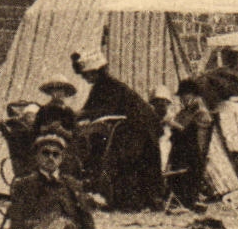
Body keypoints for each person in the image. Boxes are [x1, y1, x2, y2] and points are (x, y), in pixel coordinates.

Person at [73, 50, 165, 211]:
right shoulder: (101, 86)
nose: (85, 78)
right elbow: (90, 109)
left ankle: (133, 204)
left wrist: (74, 116)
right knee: (127, 162)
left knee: (127, 162)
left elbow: (99, 110)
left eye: (86, 74)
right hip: (134, 126)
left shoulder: (109, 86)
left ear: (95, 72)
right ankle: (129, 202)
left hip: (141, 126)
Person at [5, 134, 96, 229]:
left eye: (56, 154)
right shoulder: (24, 185)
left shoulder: (72, 184)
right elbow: (17, 225)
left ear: (61, 158)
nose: (51, 158)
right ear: (37, 156)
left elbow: (88, 225)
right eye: (45, 153)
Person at [165, 79, 213, 210]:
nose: (181, 99)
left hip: (191, 157)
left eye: (184, 96)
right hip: (181, 152)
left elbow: (196, 140)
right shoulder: (186, 111)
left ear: (192, 95)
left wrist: (173, 124)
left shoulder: (200, 113)